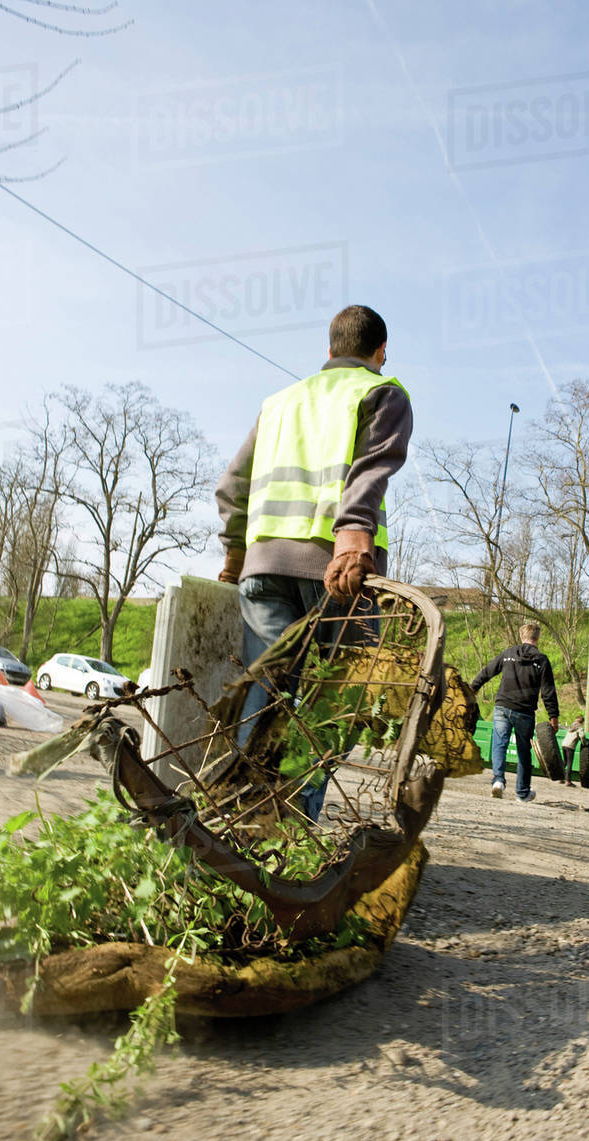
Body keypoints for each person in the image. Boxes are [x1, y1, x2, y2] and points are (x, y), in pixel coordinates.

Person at [215, 304, 413, 821]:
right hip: (337, 576)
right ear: (380, 351)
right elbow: (371, 471)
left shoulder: (278, 403)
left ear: (328, 351)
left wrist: (235, 558)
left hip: (263, 573)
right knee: (328, 706)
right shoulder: (381, 391)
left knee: (263, 695)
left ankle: (238, 818)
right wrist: (352, 540)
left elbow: (232, 485)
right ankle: (292, 828)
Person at [470, 621, 559, 802]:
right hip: (524, 711)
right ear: (538, 637)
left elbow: (488, 671)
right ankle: (522, 792)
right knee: (523, 751)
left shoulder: (509, 653)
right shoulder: (542, 660)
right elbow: (548, 691)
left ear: (521, 636)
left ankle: (498, 781)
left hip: (502, 706)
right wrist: (553, 716)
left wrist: (472, 688)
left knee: (499, 744)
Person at [562, 713, 585, 787]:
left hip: (564, 744)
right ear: (582, 721)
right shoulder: (580, 727)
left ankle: (560, 778)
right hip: (570, 746)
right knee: (569, 763)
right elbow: (582, 735)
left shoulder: (572, 725)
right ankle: (568, 781)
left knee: (564, 762)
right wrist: (583, 742)